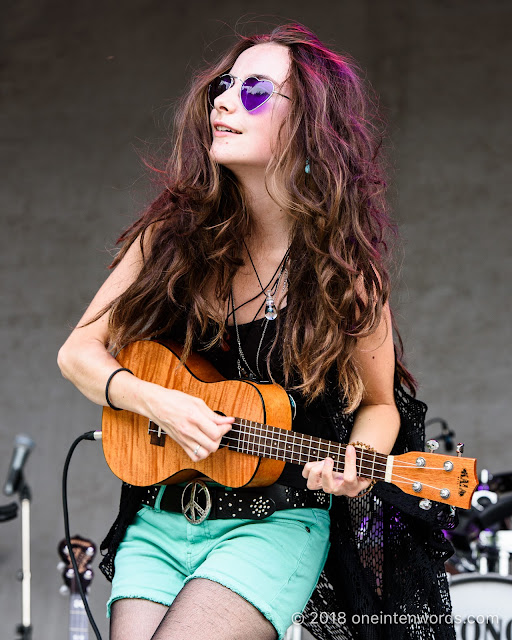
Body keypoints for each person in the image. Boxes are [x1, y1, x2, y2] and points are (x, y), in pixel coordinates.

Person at [58, 23, 456, 640]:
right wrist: (153, 398)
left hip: (275, 522)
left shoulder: (344, 272)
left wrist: (362, 460)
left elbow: (381, 405)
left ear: (308, 127)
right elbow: (77, 353)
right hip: (162, 518)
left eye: (254, 91)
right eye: (224, 85)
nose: (222, 100)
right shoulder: (168, 239)